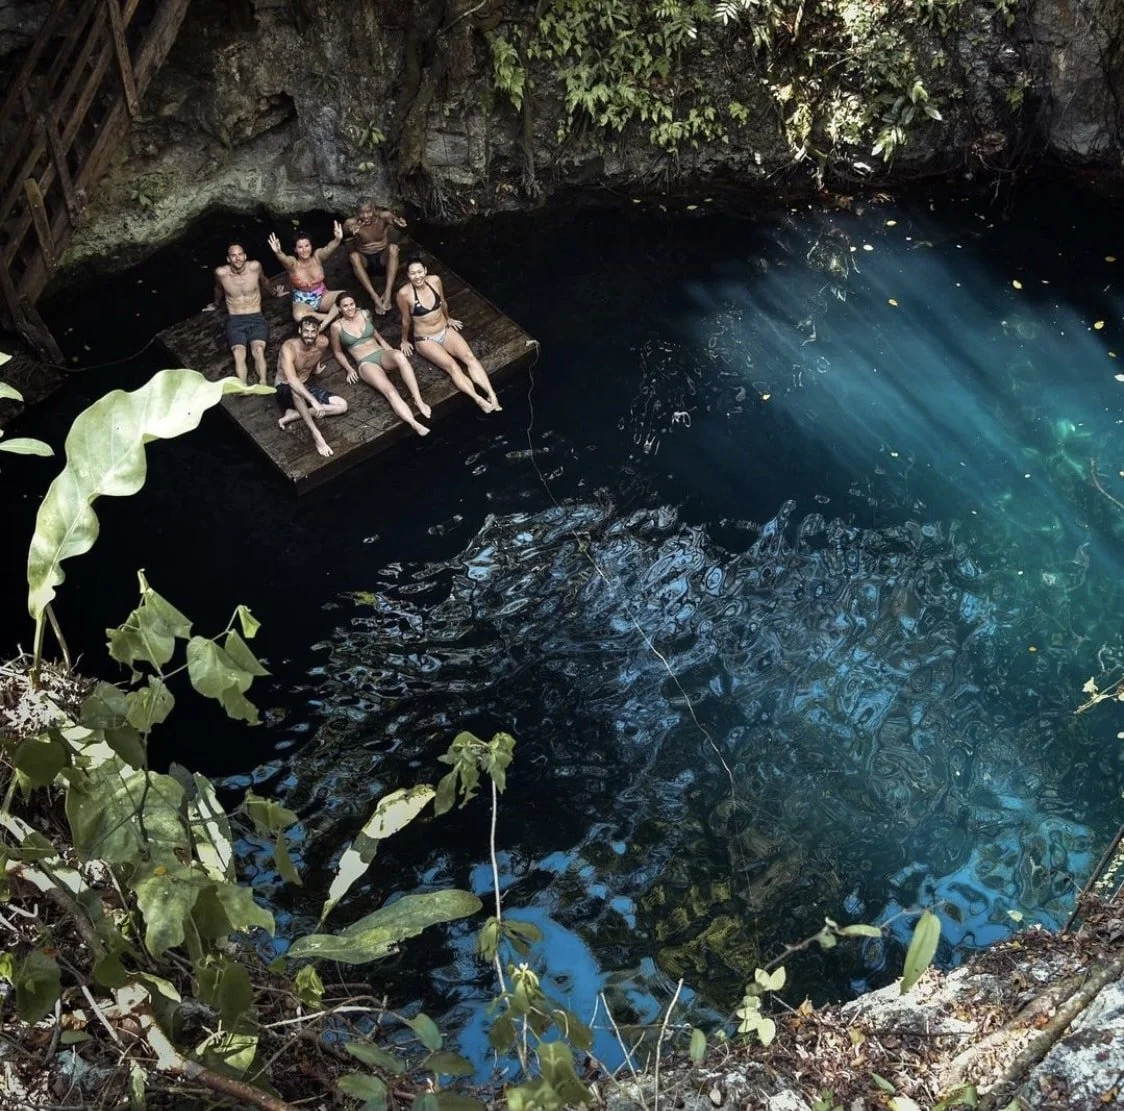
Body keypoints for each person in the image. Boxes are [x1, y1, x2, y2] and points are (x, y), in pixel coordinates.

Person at [397, 255, 501, 414]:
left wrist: (448, 318)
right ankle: (478, 399)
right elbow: (406, 320)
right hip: (425, 339)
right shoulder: (404, 294)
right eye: (412, 273)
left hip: (444, 330)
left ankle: (492, 395)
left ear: (425, 271)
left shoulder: (435, 281)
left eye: (419, 272)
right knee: (452, 366)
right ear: (408, 275)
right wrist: (404, 340)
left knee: (470, 358)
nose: (417, 276)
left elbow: (443, 303)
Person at [329, 294, 431, 437]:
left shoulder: (364, 314)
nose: (350, 308)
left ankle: (418, 400)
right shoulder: (336, 326)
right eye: (345, 306)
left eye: (351, 304)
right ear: (339, 308)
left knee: (400, 356)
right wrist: (349, 369)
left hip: (381, 354)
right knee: (390, 391)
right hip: (366, 363)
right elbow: (338, 351)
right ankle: (414, 423)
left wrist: (389, 350)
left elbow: (377, 336)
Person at [202, 243, 286, 385]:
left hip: (256, 317)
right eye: (233, 255)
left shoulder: (254, 267)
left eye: (240, 254)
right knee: (238, 353)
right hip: (235, 319)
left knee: (258, 350)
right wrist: (215, 305)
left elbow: (264, 281)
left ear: (245, 256)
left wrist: (274, 293)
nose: (238, 258)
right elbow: (218, 289)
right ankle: (243, 385)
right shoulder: (221, 273)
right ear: (228, 259)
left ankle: (263, 382)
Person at [276, 316, 348, 458]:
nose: (309, 335)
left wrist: (315, 369)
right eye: (306, 331)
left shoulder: (323, 343)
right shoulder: (289, 348)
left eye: (313, 331)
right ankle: (317, 435)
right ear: (299, 330)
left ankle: (293, 415)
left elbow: (314, 358)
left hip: (305, 386)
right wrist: (314, 401)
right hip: (284, 388)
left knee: (342, 405)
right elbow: (292, 380)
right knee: (296, 391)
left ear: (318, 331)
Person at [267, 222, 345, 331]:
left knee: (344, 297)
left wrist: (337, 239)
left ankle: (324, 323)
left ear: (311, 246)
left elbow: (328, 249)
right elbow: (285, 260)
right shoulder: (293, 264)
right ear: (295, 249)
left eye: (307, 246)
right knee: (299, 316)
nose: (304, 250)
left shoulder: (317, 257)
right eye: (300, 247)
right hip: (302, 301)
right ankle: (331, 317)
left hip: (323, 296)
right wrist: (278, 252)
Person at [342, 200, 406, 314]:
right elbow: (343, 232)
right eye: (362, 213)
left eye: (368, 212)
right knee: (353, 256)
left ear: (374, 210)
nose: (365, 216)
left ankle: (387, 293)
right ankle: (374, 296)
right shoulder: (352, 222)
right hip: (365, 261)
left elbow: (394, 220)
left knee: (393, 248)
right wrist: (350, 230)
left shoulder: (383, 217)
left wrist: (399, 223)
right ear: (357, 213)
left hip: (383, 259)